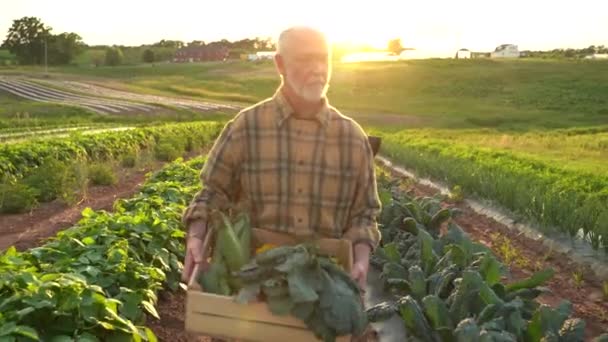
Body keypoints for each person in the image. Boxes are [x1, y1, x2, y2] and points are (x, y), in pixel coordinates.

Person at [180, 26, 382, 293]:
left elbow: (364, 215)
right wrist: (196, 237)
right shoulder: (246, 127)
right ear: (280, 64)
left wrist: (361, 258)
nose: (317, 68)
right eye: (304, 59)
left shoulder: (352, 138)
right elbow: (211, 193)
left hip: (322, 289)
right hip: (251, 285)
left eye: (323, 58)